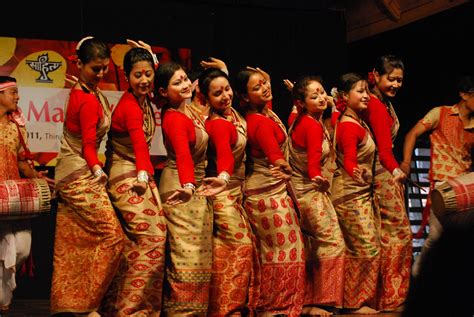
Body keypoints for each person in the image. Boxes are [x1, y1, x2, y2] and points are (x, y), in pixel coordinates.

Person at [50, 37, 125, 316]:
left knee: (75, 239)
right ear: (80, 64)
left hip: (80, 169)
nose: (102, 73)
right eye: (96, 68)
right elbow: (89, 145)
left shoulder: (88, 91)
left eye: (105, 68)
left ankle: (74, 306)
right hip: (78, 172)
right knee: (112, 236)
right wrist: (96, 169)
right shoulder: (85, 98)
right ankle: (87, 305)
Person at [234, 67, 305, 316]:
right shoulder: (258, 122)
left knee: (285, 249)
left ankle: (277, 305)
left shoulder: (265, 113)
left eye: (264, 83)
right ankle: (273, 306)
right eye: (257, 87)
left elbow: (267, 105)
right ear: (244, 98)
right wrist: (288, 170)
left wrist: (268, 81)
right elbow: (275, 157)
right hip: (266, 195)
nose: (264, 88)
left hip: (271, 191)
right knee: (281, 251)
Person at [101, 47, 166, 316]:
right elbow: (140, 146)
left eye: (148, 74)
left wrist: (153, 57)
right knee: (151, 238)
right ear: (127, 77)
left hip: (141, 174)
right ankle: (128, 309)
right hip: (125, 175)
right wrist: (142, 177)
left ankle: (137, 307)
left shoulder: (146, 99)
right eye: (137, 75)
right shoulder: (129, 106)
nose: (144, 80)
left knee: (150, 238)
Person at [155, 61, 222, 315]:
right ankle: (180, 312)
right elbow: (183, 155)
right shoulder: (173, 117)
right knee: (184, 260)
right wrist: (188, 185)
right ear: (163, 92)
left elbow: (216, 93)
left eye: (185, 79)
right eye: (177, 82)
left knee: (199, 260)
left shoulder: (190, 110)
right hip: (179, 189)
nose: (184, 85)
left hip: (195, 189)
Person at [197, 68, 259, 316]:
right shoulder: (218, 124)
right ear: (206, 99)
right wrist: (223, 177)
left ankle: (231, 306)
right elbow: (224, 155)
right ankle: (226, 308)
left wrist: (222, 70)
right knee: (238, 246)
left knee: (238, 248)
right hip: (222, 192)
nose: (225, 96)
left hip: (237, 192)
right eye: (217, 93)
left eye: (227, 89)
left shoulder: (233, 114)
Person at [401, 74, 474, 277]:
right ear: (464, 94)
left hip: (465, 189)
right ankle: (417, 281)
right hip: (444, 187)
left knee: (462, 241)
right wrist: (406, 162)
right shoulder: (440, 113)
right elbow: (412, 134)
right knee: (436, 236)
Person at [288, 76, 345, 316]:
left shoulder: (303, 119)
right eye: (314, 96)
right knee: (334, 243)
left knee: (313, 245)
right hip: (309, 191)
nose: (322, 98)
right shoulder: (310, 125)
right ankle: (322, 301)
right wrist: (317, 178)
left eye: (322, 92)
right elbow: (313, 163)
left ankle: (310, 300)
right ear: (302, 103)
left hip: (304, 190)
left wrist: (331, 105)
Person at [362, 54, 412, 311]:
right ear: (376, 76)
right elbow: (383, 151)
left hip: (384, 172)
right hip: (383, 173)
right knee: (398, 234)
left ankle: (388, 295)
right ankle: (392, 296)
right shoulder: (375, 105)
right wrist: (397, 171)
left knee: (388, 234)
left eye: (400, 80)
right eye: (391, 79)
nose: (396, 84)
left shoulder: (380, 102)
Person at [0, 76, 53, 313]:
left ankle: (3, 291)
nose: (18, 97)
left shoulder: (16, 126)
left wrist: (36, 177)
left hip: (12, 197)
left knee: (22, 246)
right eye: (13, 92)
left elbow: (22, 161)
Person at [331, 72, 380, 315]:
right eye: (359, 91)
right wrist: (356, 172)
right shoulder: (349, 126)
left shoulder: (358, 121)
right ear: (343, 96)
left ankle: (355, 300)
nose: (366, 96)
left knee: (365, 246)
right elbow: (349, 160)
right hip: (348, 196)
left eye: (366, 90)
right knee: (365, 247)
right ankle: (354, 302)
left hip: (359, 194)